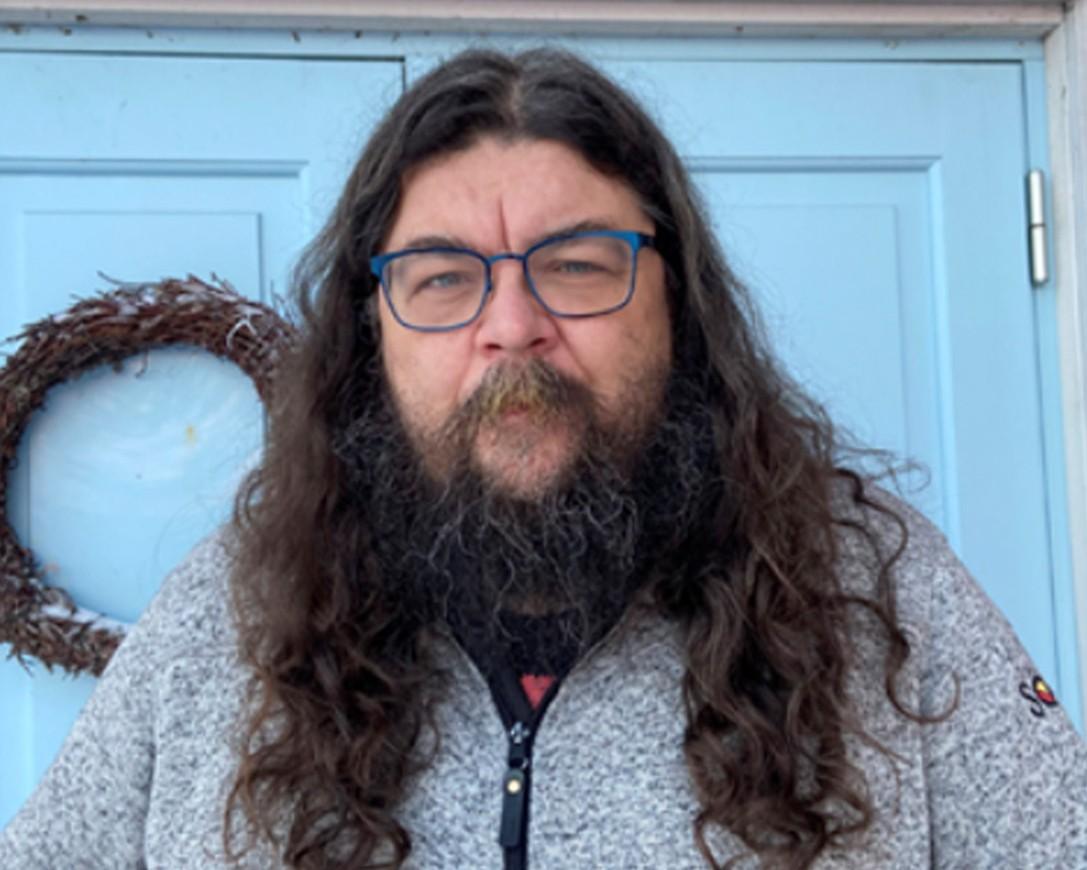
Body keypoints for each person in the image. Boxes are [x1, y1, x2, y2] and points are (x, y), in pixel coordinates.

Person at [2, 46, 1086, 870]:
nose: (512, 327)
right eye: (441, 277)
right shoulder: (224, 619)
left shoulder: (877, 591)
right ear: (372, 332)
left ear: (678, 304)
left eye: (575, 266)